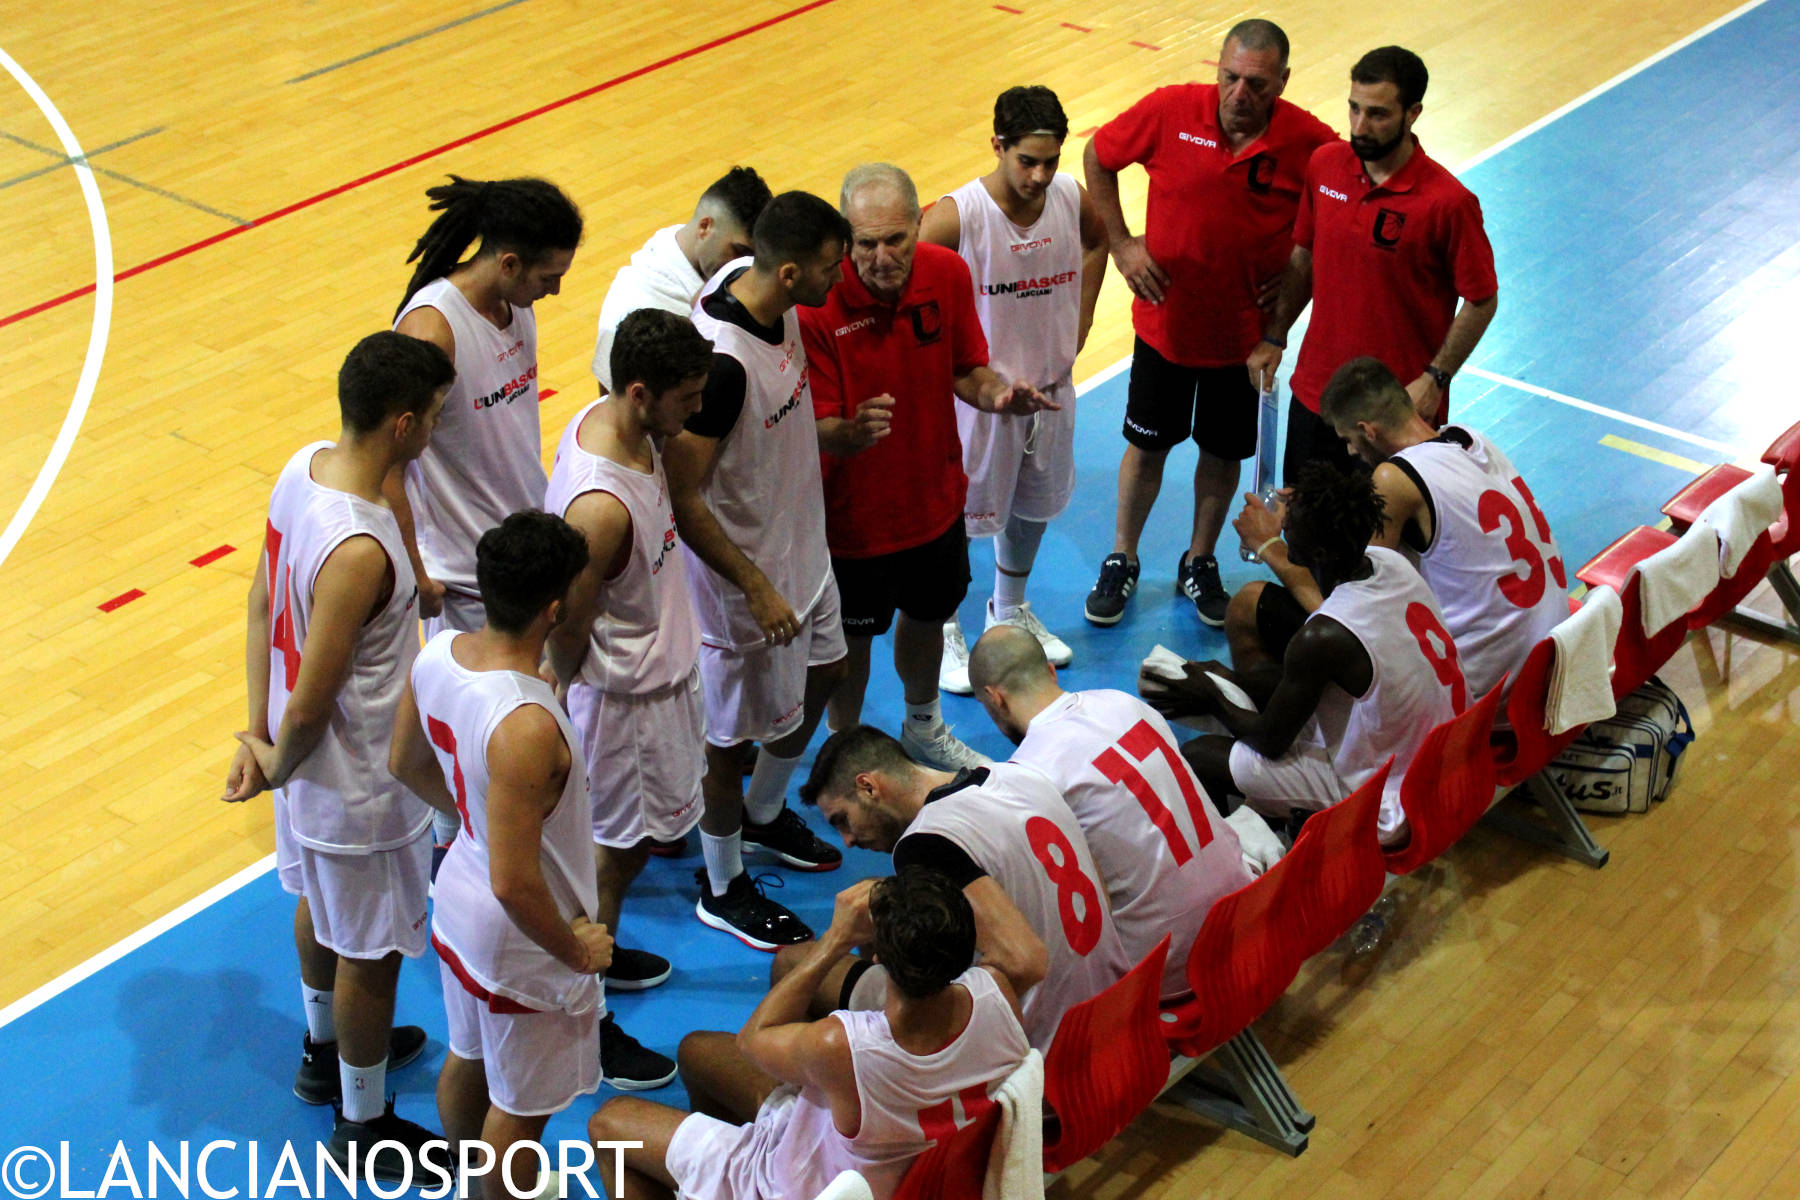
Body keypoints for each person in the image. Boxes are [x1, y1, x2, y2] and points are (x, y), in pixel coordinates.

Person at [223, 331, 456, 1176]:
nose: (436, 426)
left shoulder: (303, 467)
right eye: (432, 415)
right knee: (373, 954)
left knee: (320, 909)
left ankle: (325, 1053)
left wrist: (260, 734)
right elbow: (320, 701)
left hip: (303, 770)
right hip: (356, 785)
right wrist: (275, 760)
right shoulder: (360, 550)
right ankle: (365, 1126)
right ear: (401, 424)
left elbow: (259, 604)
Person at [1082, 19, 1336, 629]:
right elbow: (1098, 156)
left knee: (1221, 457)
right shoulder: (1170, 110)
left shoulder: (1311, 142)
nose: (1239, 94)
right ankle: (1123, 557)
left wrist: (1295, 290)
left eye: (1256, 83)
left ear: (1282, 82)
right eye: (1230, 78)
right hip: (1165, 330)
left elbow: (1339, 219)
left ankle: (1199, 561)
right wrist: (1121, 244)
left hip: (1244, 343)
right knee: (1147, 447)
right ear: (1216, 71)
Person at [388, 511, 612, 1198]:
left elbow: (404, 762)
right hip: (521, 934)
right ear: (553, 609)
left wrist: (476, 821)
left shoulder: (438, 652)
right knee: (520, 1113)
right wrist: (575, 953)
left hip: (458, 899)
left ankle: (470, 1180)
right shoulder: (525, 725)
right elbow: (516, 882)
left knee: (468, 1058)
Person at [801, 163, 1055, 769]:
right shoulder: (817, 306)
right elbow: (815, 429)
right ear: (844, 239)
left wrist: (996, 394)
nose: (883, 257)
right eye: (866, 244)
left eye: (897, 240)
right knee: (851, 645)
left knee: (926, 620)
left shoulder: (947, 272)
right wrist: (849, 431)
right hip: (851, 523)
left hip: (936, 502)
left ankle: (923, 725)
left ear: (920, 226)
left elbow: (967, 366)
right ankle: (850, 749)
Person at [588, 872, 1033, 1200]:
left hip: (803, 1187)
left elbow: (753, 1040)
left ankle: (727, 1184)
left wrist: (836, 939)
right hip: (902, 1171)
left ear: (876, 956)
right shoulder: (998, 996)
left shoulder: (842, 1045)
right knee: (697, 1052)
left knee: (609, 1123)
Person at [667, 191, 852, 951]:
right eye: (829, 270)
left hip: (802, 549)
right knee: (726, 745)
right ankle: (721, 881)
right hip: (749, 586)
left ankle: (765, 814)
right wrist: (752, 584)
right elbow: (683, 495)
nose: (838, 281)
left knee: (828, 674)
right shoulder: (722, 368)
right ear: (786, 272)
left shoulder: (758, 287)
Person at [544, 309, 720, 1089]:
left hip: (656, 688)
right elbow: (568, 627)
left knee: (630, 852)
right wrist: (559, 711)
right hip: (622, 708)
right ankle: (586, 1020)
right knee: (606, 866)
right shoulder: (601, 505)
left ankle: (599, 966)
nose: (696, 412)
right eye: (685, 398)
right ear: (642, 392)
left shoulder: (614, 421)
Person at [390, 175, 583, 857]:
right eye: (549, 275)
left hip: (524, 552)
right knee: (482, 739)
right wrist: (415, 569)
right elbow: (387, 460)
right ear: (507, 263)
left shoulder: (514, 306)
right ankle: (457, 853)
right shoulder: (433, 329)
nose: (554, 290)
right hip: (465, 577)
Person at [1149, 464, 1465, 844]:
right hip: (1445, 757)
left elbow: (1269, 742)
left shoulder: (1323, 636)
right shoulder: (1391, 563)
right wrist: (1233, 681)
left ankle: (1241, 861)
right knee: (1258, 617)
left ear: (1314, 548)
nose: (1282, 524)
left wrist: (1212, 696)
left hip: (1390, 801)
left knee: (1199, 756)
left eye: (1291, 520)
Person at [1230, 357, 1566, 701]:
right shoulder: (1469, 440)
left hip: (1484, 691)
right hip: (1547, 661)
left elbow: (1357, 614)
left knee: (1249, 604)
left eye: (1349, 439)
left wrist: (1269, 544)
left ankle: (1295, 742)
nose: (1349, 450)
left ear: (1368, 431)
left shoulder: (1394, 478)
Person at [920, 86, 1108, 693]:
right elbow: (909, 286)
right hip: (978, 401)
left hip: (1050, 391)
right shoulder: (957, 216)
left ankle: (1008, 608)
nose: (1041, 173)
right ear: (997, 145)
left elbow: (1099, 241)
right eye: (1028, 160)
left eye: (1051, 161)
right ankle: (944, 626)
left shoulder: (1070, 199)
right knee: (953, 520)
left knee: (1033, 506)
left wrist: (1080, 322)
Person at [796, 725, 1131, 1051]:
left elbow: (1025, 963)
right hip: (1120, 1011)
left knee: (793, 962)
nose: (848, 841)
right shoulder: (1018, 775)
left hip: (1047, 1049)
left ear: (868, 787)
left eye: (842, 819)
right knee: (877, 899)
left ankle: (851, 1092)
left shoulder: (925, 844)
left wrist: (937, 1021)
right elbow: (1100, 886)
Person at [1249, 45, 1499, 482]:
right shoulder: (1325, 165)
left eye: (1378, 114)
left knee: (1389, 547)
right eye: (1354, 109)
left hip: (1396, 411)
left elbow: (1482, 299)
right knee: (1305, 534)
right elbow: (1304, 256)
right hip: (1316, 396)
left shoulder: (1449, 203)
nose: (1360, 127)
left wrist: (1435, 378)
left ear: (1413, 113)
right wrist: (1275, 333)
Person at [967, 625, 1250, 1000]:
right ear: (1051, 671)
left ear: (995, 699)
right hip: (1250, 918)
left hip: (1171, 969)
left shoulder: (1031, 775)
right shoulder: (1123, 702)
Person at [590, 167, 773, 394]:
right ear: (705, 227)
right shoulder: (635, 303)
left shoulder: (719, 262)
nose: (742, 267)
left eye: (752, 257)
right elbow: (614, 404)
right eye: (738, 251)